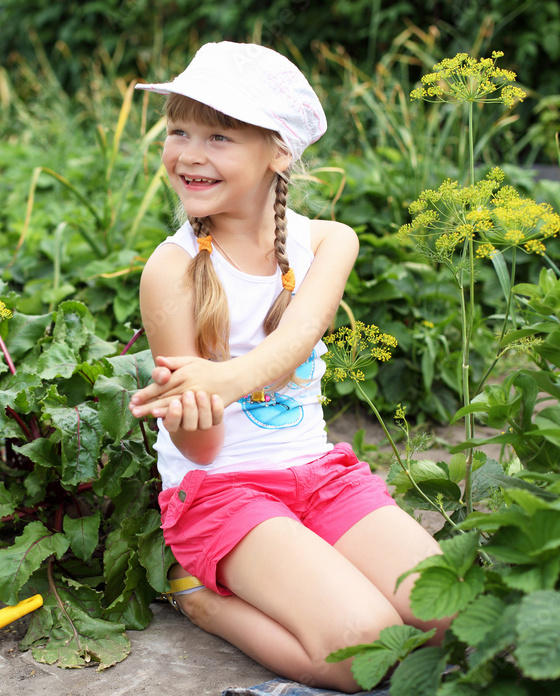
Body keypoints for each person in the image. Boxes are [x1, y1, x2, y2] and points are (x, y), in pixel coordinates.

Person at [128, 42, 449, 692]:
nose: (189, 153)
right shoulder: (172, 270)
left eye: (219, 135)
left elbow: (301, 334)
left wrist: (222, 380)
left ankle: (304, 575)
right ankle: (202, 600)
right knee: (368, 653)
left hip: (317, 476)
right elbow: (204, 447)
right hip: (220, 492)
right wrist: (190, 407)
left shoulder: (328, 241)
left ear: (279, 150)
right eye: (179, 130)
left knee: (444, 613)